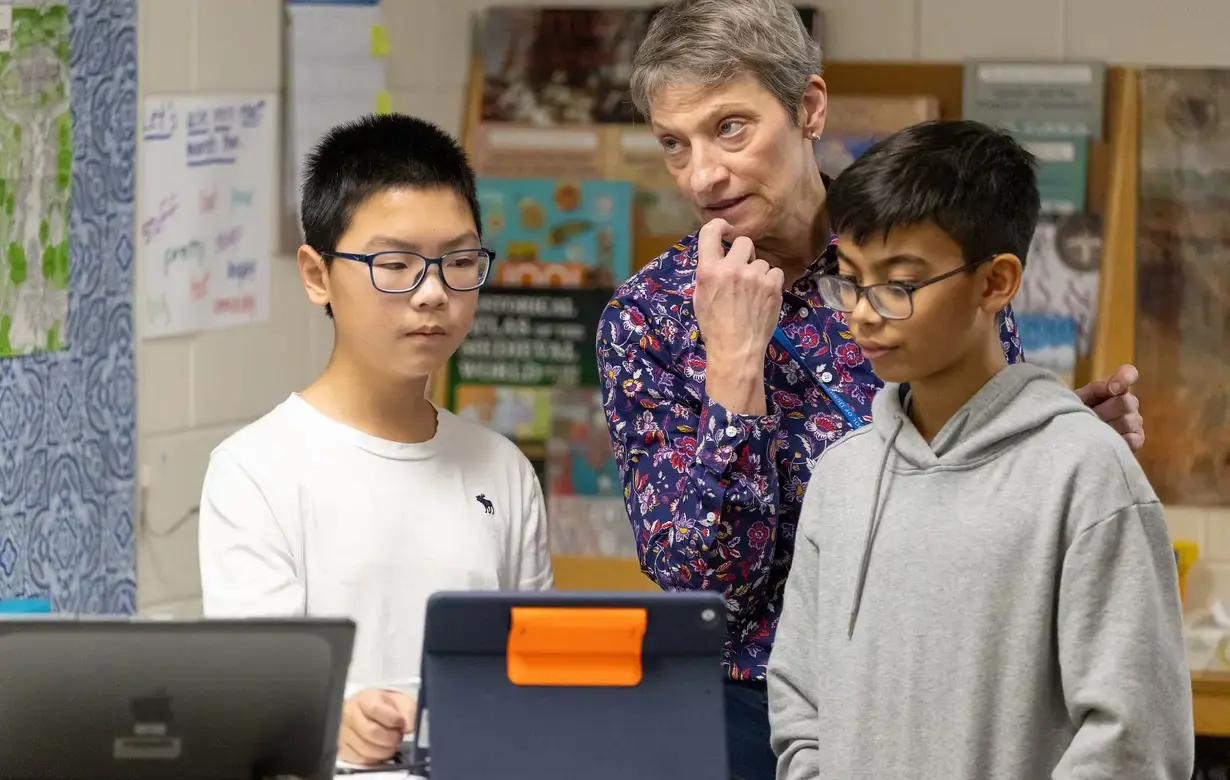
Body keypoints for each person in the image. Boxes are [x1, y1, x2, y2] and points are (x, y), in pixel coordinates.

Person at [594, 1, 1146, 777]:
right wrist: (733, 371)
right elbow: (706, 585)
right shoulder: (648, 318)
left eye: (730, 128)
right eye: (673, 145)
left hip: (947, 676)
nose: (704, 174)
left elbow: (971, 459)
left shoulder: (926, 245)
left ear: (809, 107)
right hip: (747, 705)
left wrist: (1049, 441)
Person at [768, 119, 1192, 780]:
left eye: (898, 285)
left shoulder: (1084, 474)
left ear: (995, 283)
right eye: (849, 280)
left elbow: (1133, 739)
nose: (862, 314)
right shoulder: (843, 478)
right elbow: (798, 702)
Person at [198, 113, 553, 766]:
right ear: (316, 275)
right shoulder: (255, 470)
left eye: (460, 261)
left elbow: (531, 674)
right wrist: (336, 716)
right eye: (396, 264)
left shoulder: (501, 467)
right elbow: (255, 694)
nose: (434, 294)